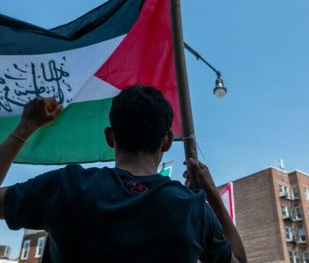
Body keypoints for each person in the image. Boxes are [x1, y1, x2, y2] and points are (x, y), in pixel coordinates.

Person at [0, 85, 247, 263]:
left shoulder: (66, 186)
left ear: (110, 137)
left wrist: (26, 126)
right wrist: (211, 194)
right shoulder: (192, 209)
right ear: (167, 141)